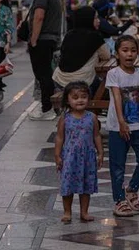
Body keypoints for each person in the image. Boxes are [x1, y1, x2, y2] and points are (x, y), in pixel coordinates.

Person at [106, 35, 139, 218]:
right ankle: (119, 200)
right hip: (119, 127)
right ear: (117, 53)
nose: (129, 54)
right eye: (125, 50)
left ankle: (131, 189)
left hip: (138, 125)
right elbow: (117, 97)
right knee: (117, 165)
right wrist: (121, 122)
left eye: (133, 50)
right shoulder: (114, 74)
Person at [55, 81, 103, 223]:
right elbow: (59, 137)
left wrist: (100, 152)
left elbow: (96, 135)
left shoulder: (92, 117)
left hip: (87, 157)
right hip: (70, 157)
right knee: (68, 185)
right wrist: (57, 155)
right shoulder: (65, 118)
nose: (80, 100)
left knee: (86, 185)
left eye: (83, 96)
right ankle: (67, 212)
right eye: (75, 97)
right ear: (68, 101)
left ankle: (84, 212)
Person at [28, 0, 67, 121]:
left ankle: (47, 108)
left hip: (43, 39)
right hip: (50, 39)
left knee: (42, 75)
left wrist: (34, 40)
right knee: (46, 74)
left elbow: (39, 16)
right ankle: (50, 107)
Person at [53, 6, 111, 95]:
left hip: (59, 80)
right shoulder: (95, 37)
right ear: (87, 19)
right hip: (82, 82)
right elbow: (106, 56)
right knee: (106, 89)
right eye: (95, 18)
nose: (98, 20)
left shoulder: (69, 35)